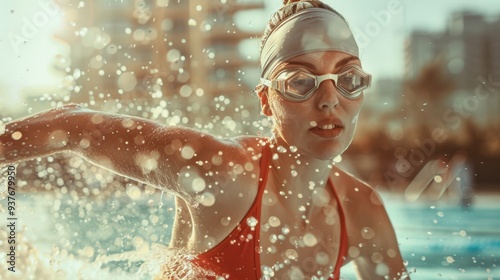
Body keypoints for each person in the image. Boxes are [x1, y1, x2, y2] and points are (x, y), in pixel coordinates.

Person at [0, 0, 409, 279]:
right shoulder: (222, 172)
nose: (328, 100)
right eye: (300, 82)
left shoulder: (362, 212)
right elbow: (74, 124)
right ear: (266, 101)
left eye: (348, 79)